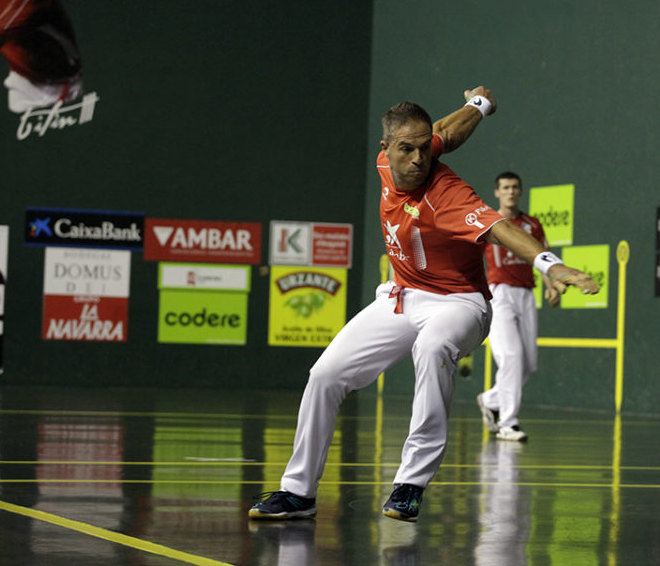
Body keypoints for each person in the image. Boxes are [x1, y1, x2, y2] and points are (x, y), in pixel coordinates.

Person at [249, 86, 599, 523]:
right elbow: (447, 131)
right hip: (401, 295)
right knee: (324, 375)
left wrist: (552, 265)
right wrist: (478, 106)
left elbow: (501, 229)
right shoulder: (391, 161)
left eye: (423, 150)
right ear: (386, 149)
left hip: (460, 303)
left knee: (432, 347)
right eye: (407, 149)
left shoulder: (446, 194)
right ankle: (298, 492)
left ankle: (410, 484)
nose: (419, 159)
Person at [476, 172, 559, 442]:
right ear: (497, 192)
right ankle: (508, 423)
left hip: (526, 294)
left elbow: (541, 256)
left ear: (520, 191)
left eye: (514, 187)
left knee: (528, 365)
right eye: (505, 187)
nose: (510, 191)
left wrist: (551, 286)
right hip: (499, 293)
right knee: (511, 357)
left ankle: (491, 400)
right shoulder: (488, 222)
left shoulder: (532, 224)